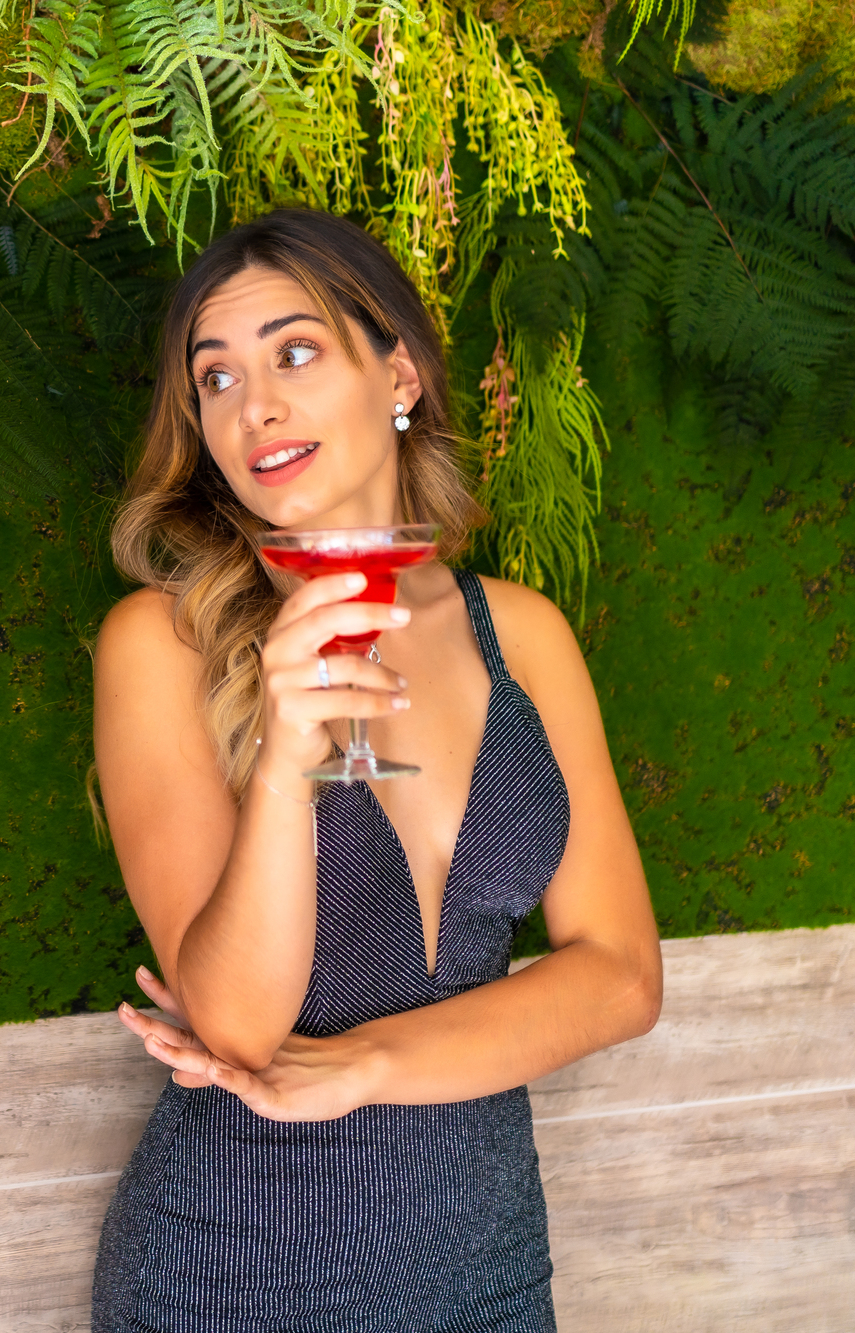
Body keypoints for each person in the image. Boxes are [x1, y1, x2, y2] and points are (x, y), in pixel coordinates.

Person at [89, 210, 663, 1331]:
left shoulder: (522, 636)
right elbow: (238, 1026)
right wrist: (284, 760)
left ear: (395, 369)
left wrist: (361, 1066)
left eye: (292, 352)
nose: (251, 405)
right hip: (230, 1273)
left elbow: (619, 976)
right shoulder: (162, 644)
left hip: (487, 1274)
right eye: (213, 379)